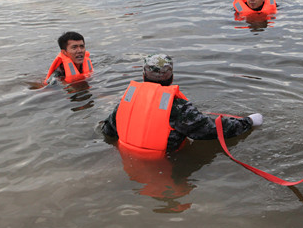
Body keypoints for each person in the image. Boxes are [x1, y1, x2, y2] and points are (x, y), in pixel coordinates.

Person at [100, 54, 263, 158]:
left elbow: (107, 130)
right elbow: (212, 130)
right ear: (171, 78)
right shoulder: (177, 107)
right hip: (165, 161)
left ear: (143, 76)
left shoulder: (127, 100)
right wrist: (248, 122)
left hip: (128, 158)